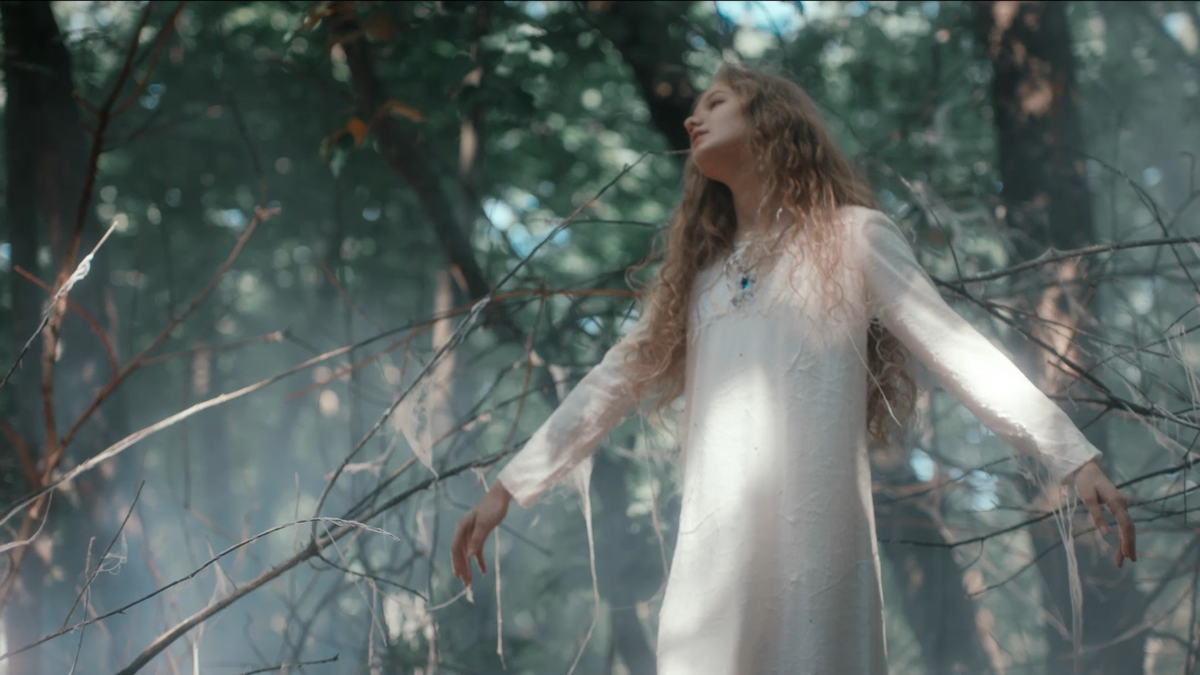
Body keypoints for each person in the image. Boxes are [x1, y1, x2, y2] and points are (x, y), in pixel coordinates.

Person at [449, 63, 1137, 674]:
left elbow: (956, 348)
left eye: (716, 102)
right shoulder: (699, 279)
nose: (692, 118)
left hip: (815, 555)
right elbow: (611, 381)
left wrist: (1071, 456)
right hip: (713, 565)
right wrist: (509, 485)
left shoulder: (853, 237)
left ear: (769, 119)